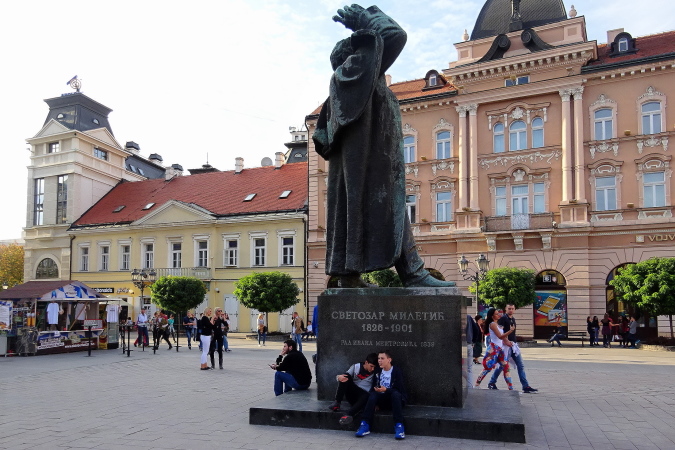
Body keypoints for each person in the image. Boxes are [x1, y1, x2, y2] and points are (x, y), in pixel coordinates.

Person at [313, 4, 456, 289]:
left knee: (378, 211)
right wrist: (364, 20)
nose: (376, 55)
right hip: (371, 168)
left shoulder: (356, 83)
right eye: (368, 52)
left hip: (367, 168)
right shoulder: (355, 76)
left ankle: (351, 276)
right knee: (393, 209)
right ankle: (412, 272)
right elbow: (395, 35)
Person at [355, 350, 407, 440]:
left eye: (382, 358)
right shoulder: (378, 371)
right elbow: (373, 386)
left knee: (395, 394)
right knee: (373, 394)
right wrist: (375, 401)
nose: (379, 360)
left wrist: (386, 390)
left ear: (389, 360)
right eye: (379, 358)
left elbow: (399, 390)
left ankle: (399, 426)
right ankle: (365, 424)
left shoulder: (396, 371)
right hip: (381, 400)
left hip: (394, 401)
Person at [487, 304, 538, 393]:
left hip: (513, 345)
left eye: (512, 308)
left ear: (514, 309)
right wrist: (506, 341)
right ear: (506, 309)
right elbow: (500, 332)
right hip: (506, 347)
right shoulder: (503, 319)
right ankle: (492, 382)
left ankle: (525, 386)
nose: (511, 310)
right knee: (502, 365)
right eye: (509, 308)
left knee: (520, 365)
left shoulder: (512, 319)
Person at [328, 352, 378, 425]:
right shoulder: (356, 367)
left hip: (364, 397)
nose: (372, 369)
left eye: (374, 367)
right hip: (353, 393)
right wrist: (339, 377)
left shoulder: (376, 372)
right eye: (371, 366)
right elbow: (345, 375)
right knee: (345, 377)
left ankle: (348, 414)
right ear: (366, 362)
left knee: (367, 396)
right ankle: (337, 402)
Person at [475, 308, 514, 391]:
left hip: (499, 349)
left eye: (498, 313)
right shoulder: (492, 324)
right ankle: (477, 384)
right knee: (488, 367)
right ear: (492, 316)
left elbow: (502, 337)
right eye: (496, 314)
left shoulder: (497, 324)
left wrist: (507, 341)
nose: (498, 315)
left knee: (506, 367)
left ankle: (511, 388)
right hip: (493, 349)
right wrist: (510, 331)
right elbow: (500, 336)